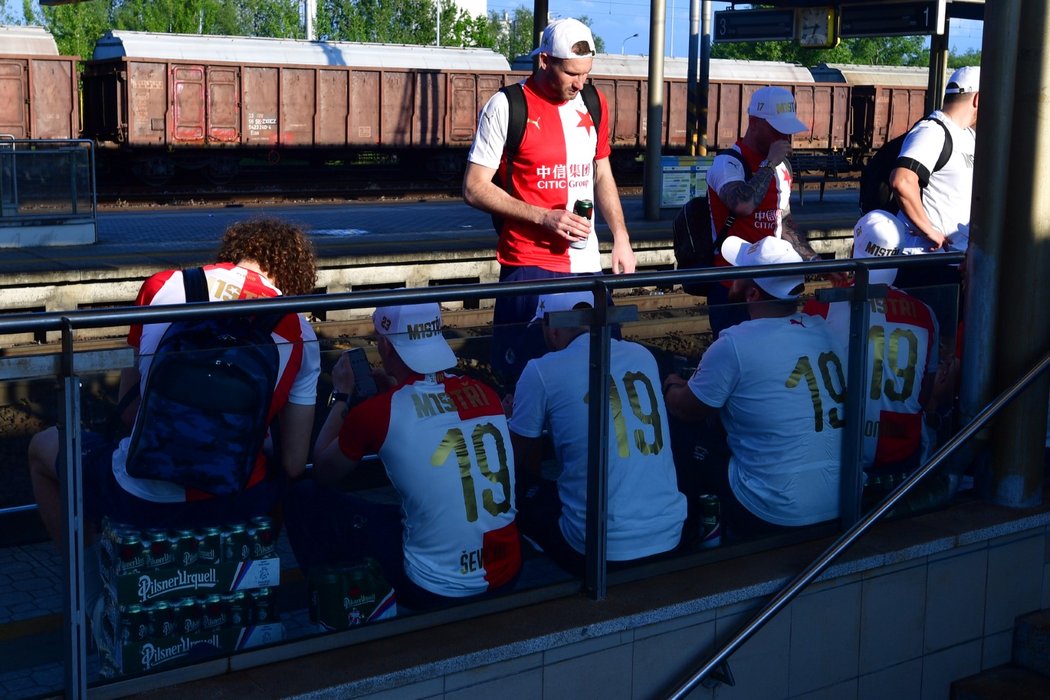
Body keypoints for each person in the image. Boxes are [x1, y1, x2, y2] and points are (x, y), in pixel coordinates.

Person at [27, 218, 320, 541]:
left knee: (43, 446)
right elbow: (294, 463)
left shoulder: (161, 286)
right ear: (294, 273)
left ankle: (89, 582)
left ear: (234, 252)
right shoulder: (300, 329)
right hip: (238, 502)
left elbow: (129, 412)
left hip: (142, 497)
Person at [285, 302, 521, 611]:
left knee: (300, 495)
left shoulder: (380, 412)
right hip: (507, 572)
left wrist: (342, 394)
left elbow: (324, 469)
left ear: (385, 345)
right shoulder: (485, 393)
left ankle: (335, 605)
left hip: (434, 587)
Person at [463, 18, 636, 383]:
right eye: (572, 74)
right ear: (544, 61)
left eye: (586, 74)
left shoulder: (593, 101)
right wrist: (544, 217)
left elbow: (601, 172)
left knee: (601, 375)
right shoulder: (507, 106)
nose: (580, 83)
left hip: (586, 265)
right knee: (524, 381)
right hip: (529, 264)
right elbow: (474, 187)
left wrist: (621, 237)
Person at [663, 236, 845, 538]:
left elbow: (686, 408)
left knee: (682, 432)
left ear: (752, 293)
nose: (729, 275)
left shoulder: (736, 343)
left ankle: (691, 536)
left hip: (774, 510)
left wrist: (670, 383)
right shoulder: (822, 329)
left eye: (737, 271)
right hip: (841, 500)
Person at [508, 292, 686, 575]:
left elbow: (516, 459)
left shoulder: (541, 370)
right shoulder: (643, 356)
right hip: (670, 533)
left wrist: (513, 416)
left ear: (551, 328)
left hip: (598, 549)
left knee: (525, 495)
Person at [804, 210, 955, 483]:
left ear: (853, 248)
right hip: (903, 457)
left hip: (836, 451)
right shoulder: (925, 314)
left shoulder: (823, 306)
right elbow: (926, 390)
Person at [705, 85, 823, 337]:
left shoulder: (782, 168)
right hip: (733, 285)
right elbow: (743, 204)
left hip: (773, 285)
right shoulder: (728, 163)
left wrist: (813, 259)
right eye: (777, 130)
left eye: (788, 131)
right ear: (754, 122)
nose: (785, 138)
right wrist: (769, 163)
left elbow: (784, 221)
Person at [890, 66, 979, 254]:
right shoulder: (933, 131)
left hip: (950, 258)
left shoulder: (967, 136)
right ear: (978, 99)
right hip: (925, 258)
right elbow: (902, 181)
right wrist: (929, 230)